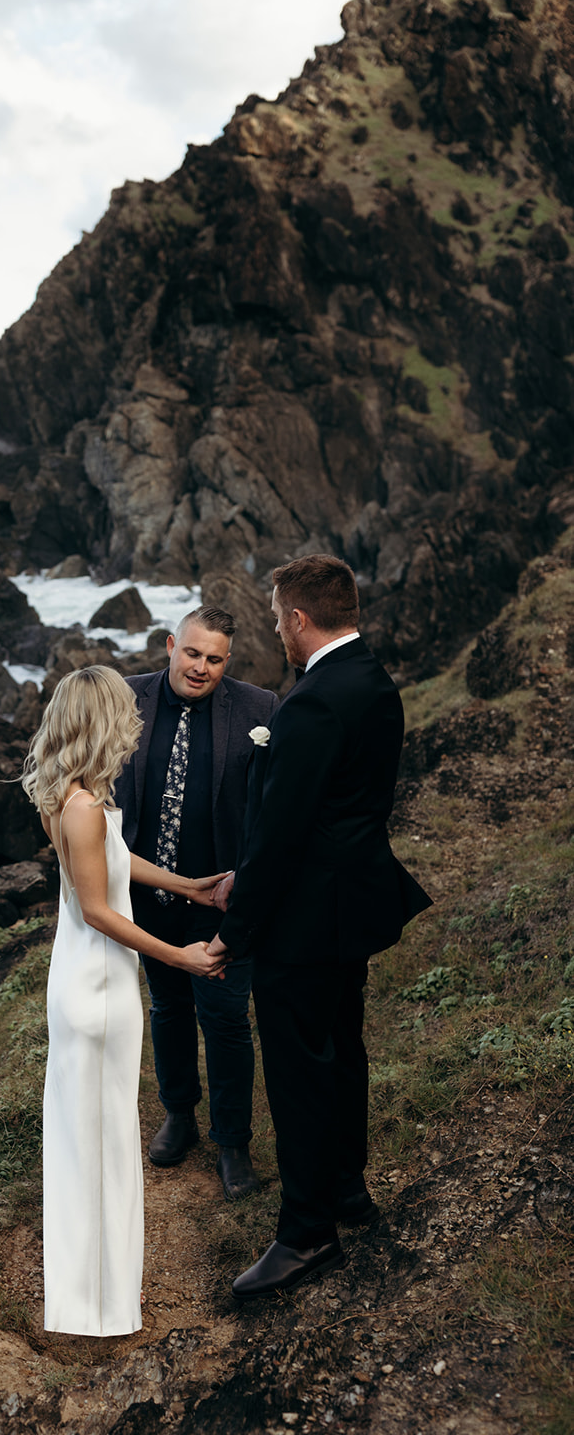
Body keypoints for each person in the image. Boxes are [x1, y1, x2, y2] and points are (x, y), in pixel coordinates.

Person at [207, 555, 431, 1299]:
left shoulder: (311, 704)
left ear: (300, 620)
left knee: (301, 1072)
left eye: (276, 617)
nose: (275, 627)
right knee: (341, 1051)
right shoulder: (370, 679)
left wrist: (234, 932)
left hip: (303, 925)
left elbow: (281, 833)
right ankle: (345, 1189)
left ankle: (305, 1235)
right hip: (350, 908)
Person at [22, 665, 225, 1337]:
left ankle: (95, 1300)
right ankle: (97, 1310)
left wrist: (188, 886)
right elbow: (98, 909)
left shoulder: (77, 797)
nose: (134, 724)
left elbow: (116, 857)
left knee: (91, 1143)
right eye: (123, 714)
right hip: (98, 989)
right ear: (102, 722)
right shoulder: (81, 809)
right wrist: (179, 957)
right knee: (101, 1145)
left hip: (86, 982)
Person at [113, 607, 278, 1200]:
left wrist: (249, 889)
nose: (201, 668)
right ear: (169, 645)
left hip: (223, 905)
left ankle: (232, 1141)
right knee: (168, 1008)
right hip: (149, 898)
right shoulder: (124, 699)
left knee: (228, 1021)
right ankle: (178, 1113)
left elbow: (271, 808)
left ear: (227, 661)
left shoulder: (261, 711)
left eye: (214, 659)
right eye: (192, 653)